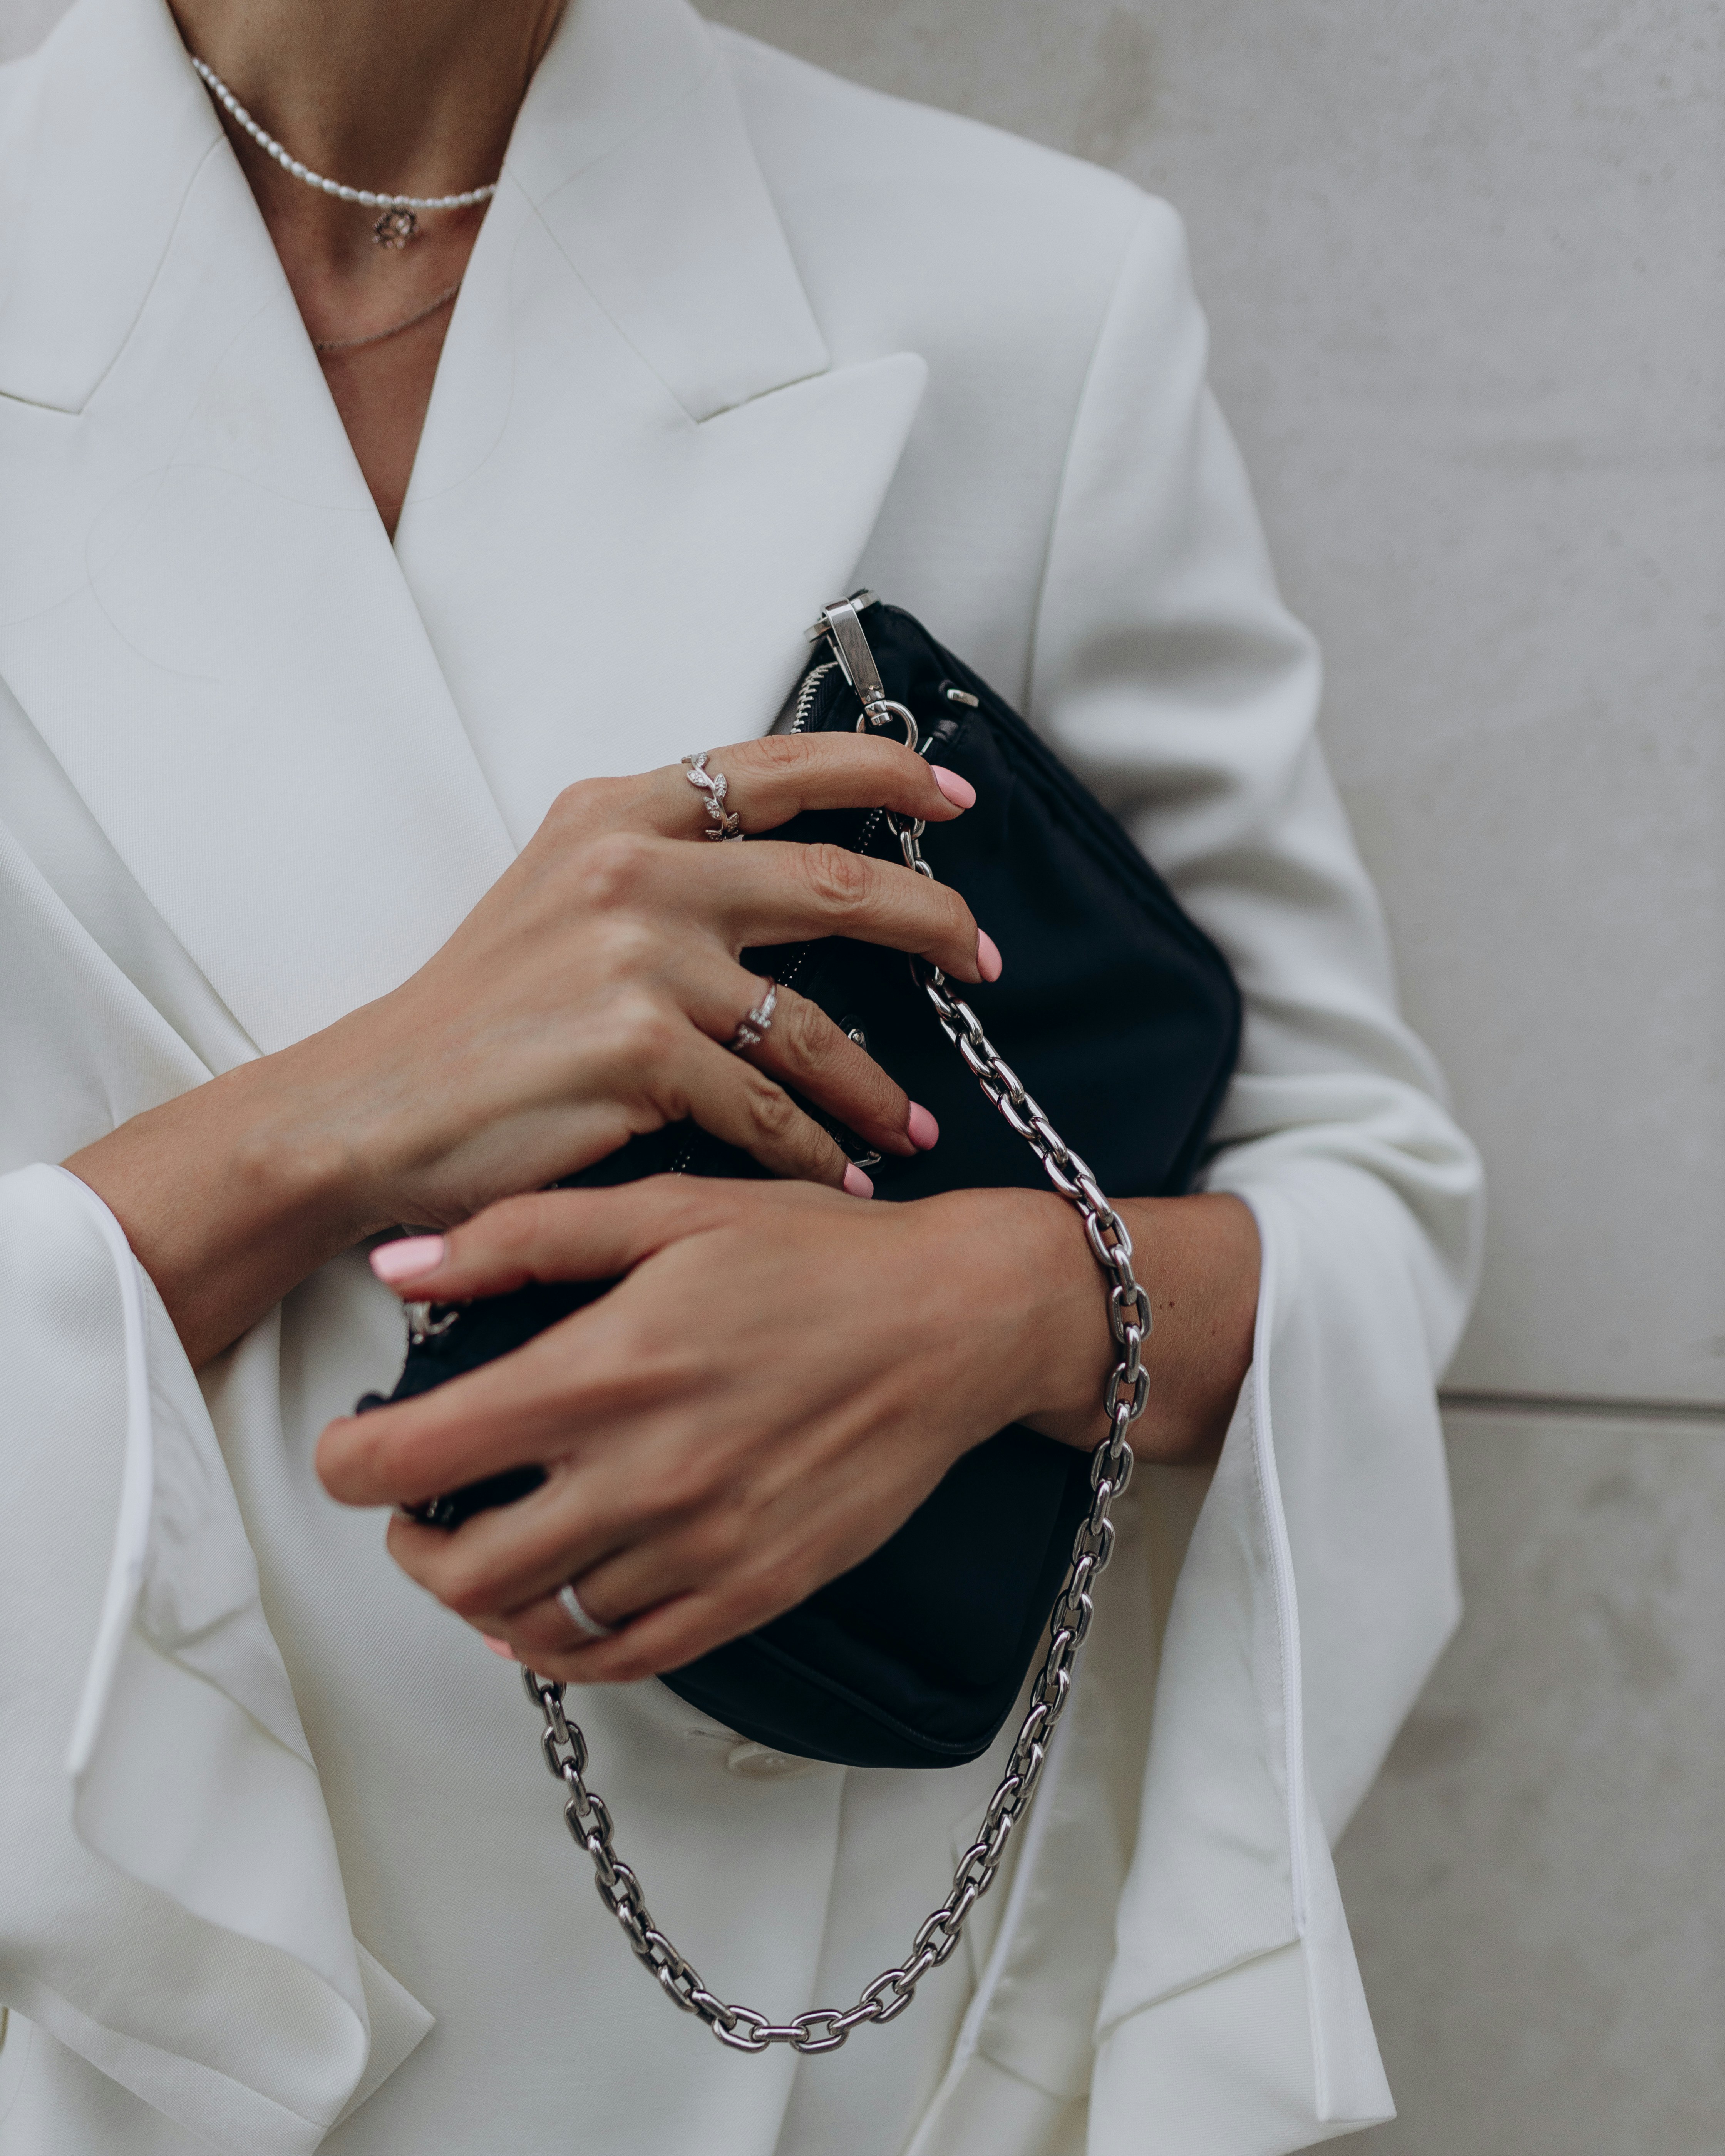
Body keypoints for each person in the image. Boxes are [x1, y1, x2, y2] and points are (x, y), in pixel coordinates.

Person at [0, 0, 1484, 2149]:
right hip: (89, 2009)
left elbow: (1372, 1206)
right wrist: (339, 1116)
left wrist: (995, 1309)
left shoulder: (1020, 290)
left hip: (799, 2040)